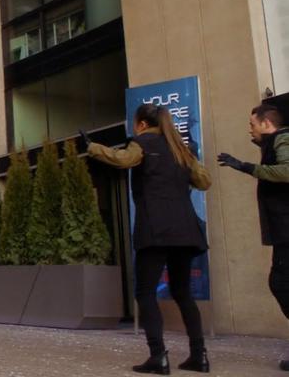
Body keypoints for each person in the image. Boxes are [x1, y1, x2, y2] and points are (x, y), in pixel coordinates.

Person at [83, 103, 212, 374]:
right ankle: (199, 357)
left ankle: (158, 356)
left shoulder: (142, 143)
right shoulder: (181, 149)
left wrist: (93, 147)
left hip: (155, 228)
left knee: (145, 292)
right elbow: (204, 182)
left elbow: (122, 160)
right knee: (183, 292)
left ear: (141, 123)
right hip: (186, 229)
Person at [217, 103, 289, 371]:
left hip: (287, 228)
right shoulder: (276, 142)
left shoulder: (283, 138)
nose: (250, 128)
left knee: (281, 283)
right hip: (284, 229)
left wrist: (245, 166)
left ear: (266, 123)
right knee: (281, 282)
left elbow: (286, 171)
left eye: (252, 124)